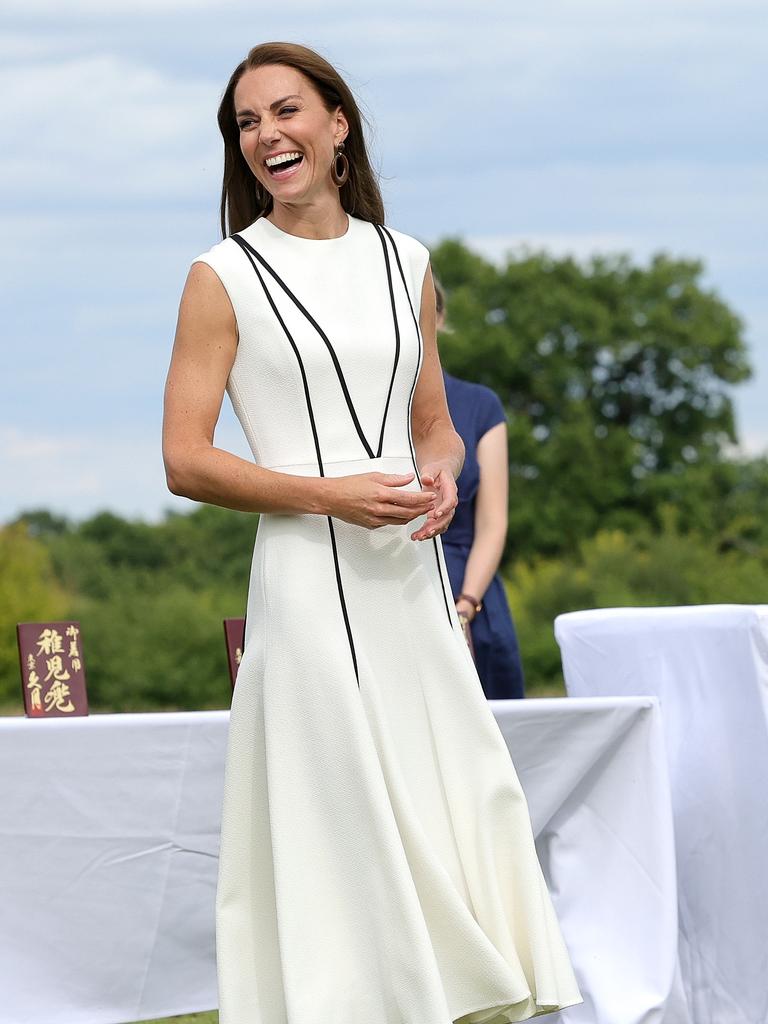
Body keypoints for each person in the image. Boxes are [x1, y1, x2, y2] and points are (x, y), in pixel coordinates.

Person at [162, 41, 582, 1024]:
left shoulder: (407, 260)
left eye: (285, 111)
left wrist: (440, 474)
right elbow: (185, 460)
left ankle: (468, 992)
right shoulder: (222, 276)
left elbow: (434, 424)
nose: (266, 134)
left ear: (337, 124)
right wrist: (328, 493)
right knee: (340, 801)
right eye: (246, 122)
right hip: (308, 585)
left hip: (407, 577)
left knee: (460, 785)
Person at [434, 281, 526, 699]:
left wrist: (466, 603)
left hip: (469, 592)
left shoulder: (480, 404)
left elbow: (492, 523)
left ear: (438, 318)